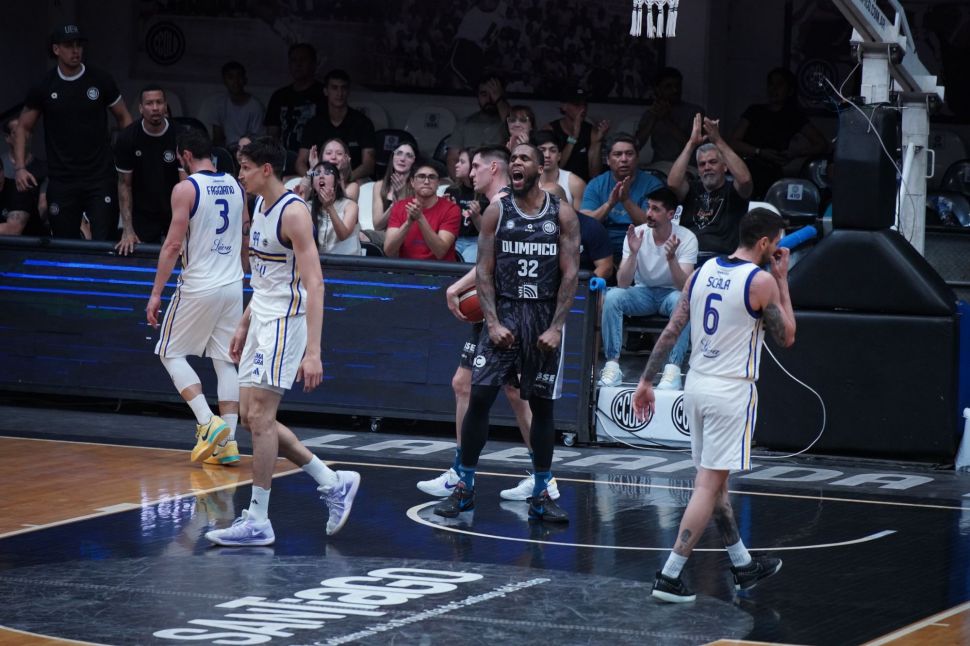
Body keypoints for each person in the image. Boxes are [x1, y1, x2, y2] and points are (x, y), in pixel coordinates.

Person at [632, 207, 796, 603]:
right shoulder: (760, 281)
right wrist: (782, 279)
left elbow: (672, 330)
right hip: (730, 391)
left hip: (697, 384)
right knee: (707, 485)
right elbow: (788, 336)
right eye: (776, 243)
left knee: (714, 481)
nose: (778, 250)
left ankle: (742, 565)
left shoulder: (701, 272)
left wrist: (646, 380)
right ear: (764, 243)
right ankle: (669, 575)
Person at [205, 136, 361, 546]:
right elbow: (264, 279)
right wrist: (243, 323)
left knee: (260, 417)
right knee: (253, 419)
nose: (240, 175)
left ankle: (258, 518)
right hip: (261, 317)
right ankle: (333, 481)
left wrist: (314, 352)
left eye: (245, 168)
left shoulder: (293, 213)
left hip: (286, 323)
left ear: (266, 169)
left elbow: (316, 284)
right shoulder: (259, 206)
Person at [433, 142, 580, 522]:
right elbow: (484, 271)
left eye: (524, 159)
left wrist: (557, 327)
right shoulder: (497, 211)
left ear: (539, 167)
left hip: (542, 317)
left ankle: (542, 492)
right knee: (479, 397)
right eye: (513, 158)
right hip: (506, 312)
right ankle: (464, 487)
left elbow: (570, 275)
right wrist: (493, 322)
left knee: (542, 407)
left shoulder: (561, 213)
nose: (517, 163)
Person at [145, 129, 249, 467]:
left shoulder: (186, 188)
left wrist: (156, 293)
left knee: (169, 352)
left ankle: (207, 421)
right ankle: (228, 444)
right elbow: (245, 232)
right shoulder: (236, 185)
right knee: (225, 361)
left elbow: (173, 245)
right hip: (233, 283)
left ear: (185, 156)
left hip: (200, 284)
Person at [14, 24, 133, 240]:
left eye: (79, 45)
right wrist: (20, 167)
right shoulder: (44, 85)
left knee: (104, 241)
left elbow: (124, 118)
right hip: (62, 179)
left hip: (100, 177)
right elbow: (23, 127)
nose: (75, 50)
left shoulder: (100, 79)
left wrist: (125, 157)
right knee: (64, 242)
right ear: (56, 49)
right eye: (69, 45)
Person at [598, 187, 697, 388]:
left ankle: (673, 370)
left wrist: (671, 259)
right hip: (642, 293)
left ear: (670, 214)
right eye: (648, 207)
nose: (649, 213)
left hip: (671, 294)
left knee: (684, 300)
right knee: (612, 296)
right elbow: (623, 283)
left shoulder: (687, 238)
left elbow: (684, 286)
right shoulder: (637, 234)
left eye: (655, 209)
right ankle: (612, 366)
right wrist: (633, 253)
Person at [729, 68, 829, 199]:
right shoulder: (754, 111)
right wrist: (759, 152)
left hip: (772, 174)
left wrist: (794, 154)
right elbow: (733, 143)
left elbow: (821, 144)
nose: (773, 89)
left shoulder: (793, 116)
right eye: (771, 84)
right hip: (746, 168)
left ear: (789, 90)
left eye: (779, 84)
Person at [670, 114, 753, 256]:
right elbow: (672, 183)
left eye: (713, 162)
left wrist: (718, 140)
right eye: (702, 164)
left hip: (721, 259)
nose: (707, 167)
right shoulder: (692, 188)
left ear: (725, 166)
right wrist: (691, 144)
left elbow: (745, 180)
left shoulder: (733, 190)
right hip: (687, 256)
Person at [114, 86, 182, 254]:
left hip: (174, 211)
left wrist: (185, 229)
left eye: (159, 102)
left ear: (165, 106)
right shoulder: (127, 138)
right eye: (149, 103)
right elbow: (124, 185)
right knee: (137, 256)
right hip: (142, 213)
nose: (155, 107)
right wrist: (127, 229)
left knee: (179, 258)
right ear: (141, 108)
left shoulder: (181, 135)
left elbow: (187, 184)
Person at [581, 134, 664, 260]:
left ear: (637, 158)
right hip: (603, 243)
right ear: (608, 160)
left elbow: (653, 224)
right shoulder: (596, 184)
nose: (624, 159)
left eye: (629, 154)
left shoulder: (653, 184)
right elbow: (585, 224)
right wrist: (609, 204)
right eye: (617, 154)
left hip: (642, 242)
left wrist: (626, 201)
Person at [296, 69, 376, 182]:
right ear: (326, 91)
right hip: (320, 181)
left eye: (343, 88)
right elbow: (300, 162)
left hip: (353, 180)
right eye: (334, 88)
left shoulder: (363, 122)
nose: (339, 93)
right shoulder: (314, 124)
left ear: (348, 91)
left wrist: (342, 181)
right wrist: (315, 178)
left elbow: (369, 165)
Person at [383, 161, 460, 261]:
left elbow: (440, 251)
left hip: (439, 269)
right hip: (408, 268)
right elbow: (388, 251)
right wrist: (408, 223)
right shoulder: (399, 207)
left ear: (438, 183)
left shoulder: (451, 209)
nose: (426, 181)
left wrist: (420, 218)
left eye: (432, 177)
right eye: (421, 176)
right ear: (412, 182)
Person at [263, 43, 325, 161]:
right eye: (293, 60)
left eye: (303, 60)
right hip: (285, 161)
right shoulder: (279, 96)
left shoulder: (325, 94)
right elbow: (272, 136)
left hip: (316, 161)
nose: (298, 64)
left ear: (313, 63)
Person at [635, 67, 705, 164]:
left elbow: (695, 145)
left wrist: (666, 120)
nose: (675, 90)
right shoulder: (650, 113)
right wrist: (654, 117)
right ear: (658, 89)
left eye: (678, 85)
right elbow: (636, 145)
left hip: (688, 166)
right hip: (659, 166)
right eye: (668, 86)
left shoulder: (695, 112)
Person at [446, 76, 510, 181]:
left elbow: (511, 122)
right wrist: (463, 186)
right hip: (469, 182)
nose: (490, 99)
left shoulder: (512, 123)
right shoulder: (464, 124)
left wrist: (499, 100)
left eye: (494, 93)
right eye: (484, 94)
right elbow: (452, 159)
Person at [543, 87, 609, 181]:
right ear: (564, 106)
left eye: (584, 104)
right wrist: (573, 137)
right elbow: (554, 168)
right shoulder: (551, 129)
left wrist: (597, 142)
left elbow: (595, 174)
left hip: (583, 185)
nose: (583, 109)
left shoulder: (592, 131)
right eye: (577, 104)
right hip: (556, 184)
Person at [0, 116, 47, 236]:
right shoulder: (2, 161)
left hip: (29, 238)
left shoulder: (19, 191)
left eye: (27, 131)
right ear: (7, 138)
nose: (23, 137)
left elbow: (13, 229)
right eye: (17, 133)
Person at [308, 160, 361, 255]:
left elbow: (343, 235)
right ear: (312, 184)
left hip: (347, 261)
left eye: (327, 173)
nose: (321, 176)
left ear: (337, 181)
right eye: (317, 173)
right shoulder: (307, 206)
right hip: (318, 261)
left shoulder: (350, 206)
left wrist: (329, 207)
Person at [210, 61, 265, 149]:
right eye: (231, 77)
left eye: (239, 76)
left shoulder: (255, 106)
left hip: (249, 152)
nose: (236, 81)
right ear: (224, 81)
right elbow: (217, 138)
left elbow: (259, 140)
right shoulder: (220, 105)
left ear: (245, 80)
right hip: (227, 152)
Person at [370, 140, 418, 236]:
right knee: (362, 236)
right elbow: (377, 226)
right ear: (393, 157)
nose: (402, 159)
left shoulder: (417, 186)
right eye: (399, 153)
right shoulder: (379, 185)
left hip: (406, 235)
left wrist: (401, 196)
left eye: (409, 156)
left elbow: (411, 223)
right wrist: (394, 205)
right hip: (383, 234)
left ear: (414, 161)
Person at [535, 131, 587, 211]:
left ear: (559, 156)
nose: (547, 155)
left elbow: (581, 218)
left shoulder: (576, 184)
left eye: (553, 150)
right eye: (542, 150)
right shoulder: (527, 182)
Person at [444, 148, 479, 263]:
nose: (456, 165)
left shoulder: (483, 191)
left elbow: (486, 231)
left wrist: (476, 215)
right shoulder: (452, 190)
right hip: (455, 239)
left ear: (473, 166)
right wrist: (450, 211)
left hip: (476, 241)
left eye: (462, 162)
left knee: (468, 259)